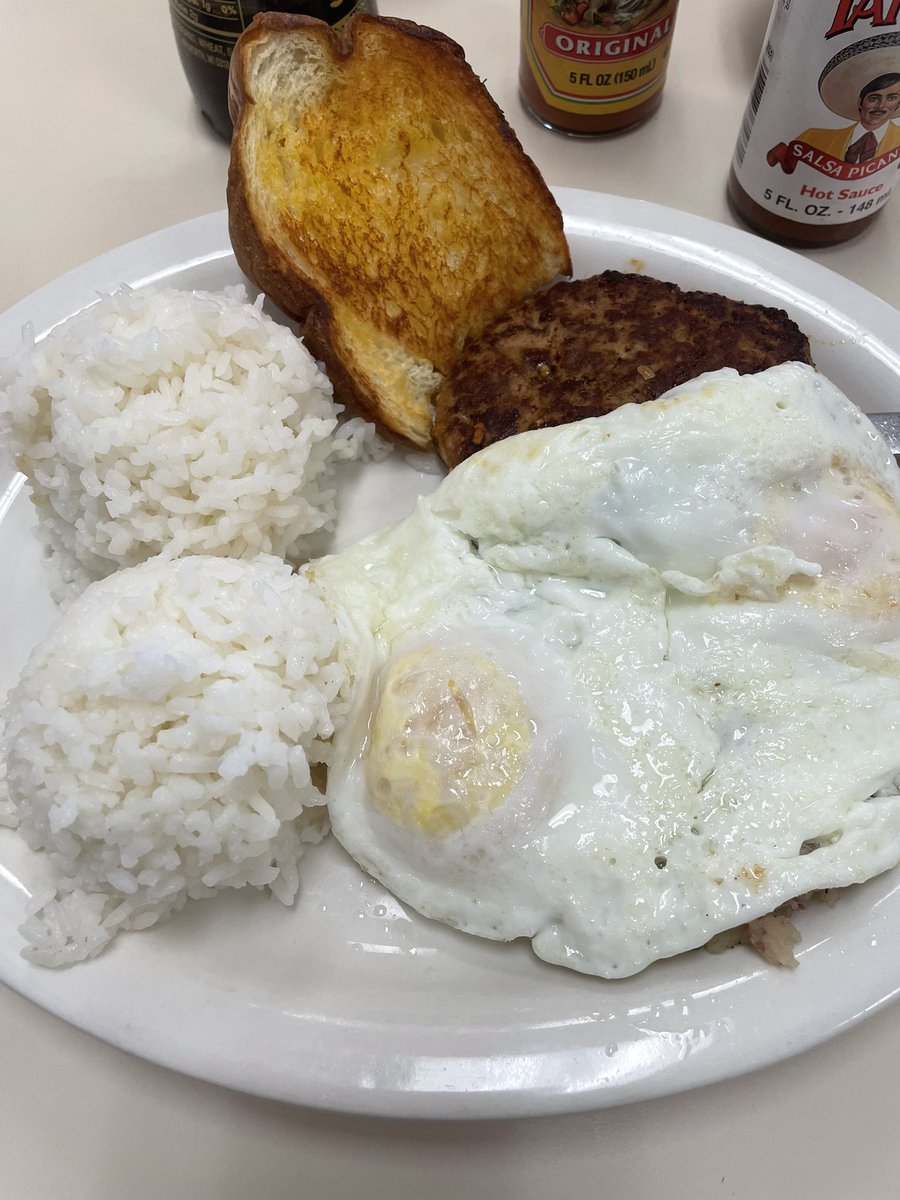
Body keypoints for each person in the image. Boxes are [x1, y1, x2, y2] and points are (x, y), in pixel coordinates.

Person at [797, 72, 900, 162]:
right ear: (860, 102)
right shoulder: (811, 138)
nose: (881, 105)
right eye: (873, 98)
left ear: (898, 104)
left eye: (891, 98)